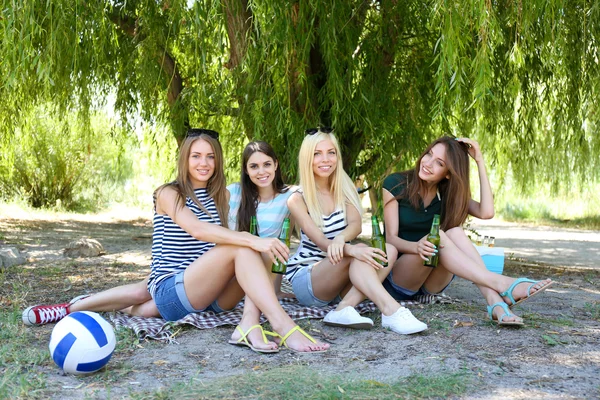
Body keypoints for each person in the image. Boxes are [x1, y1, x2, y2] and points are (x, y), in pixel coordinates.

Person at [23, 130, 329, 353]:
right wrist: (250, 239)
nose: (204, 163)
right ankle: (282, 325)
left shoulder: (223, 196)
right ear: (184, 159)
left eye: (210, 157)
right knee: (244, 244)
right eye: (196, 156)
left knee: (139, 308)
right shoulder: (169, 193)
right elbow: (197, 230)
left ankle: (247, 326)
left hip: (209, 293)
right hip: (174, 286)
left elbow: (265, 193)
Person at [382, 136, 553, 326]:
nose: (428, 163)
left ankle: (494, 300)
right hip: (402, 277)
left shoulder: (447, 194)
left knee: (454, 231)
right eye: (429, 154)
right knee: (439, 236)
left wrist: (479, 161)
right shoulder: (395, 183)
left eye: (439, 163)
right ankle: (499, 290)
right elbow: (391, 238)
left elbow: (486, 212)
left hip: (432, 283)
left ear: (448, 173)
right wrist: (417, 247)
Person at [285, 127, 428, 335]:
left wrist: (341, 239)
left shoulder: (345, 187)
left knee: (388, 250)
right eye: (317, 153)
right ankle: (392, 310)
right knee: (359, 251)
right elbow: (322, 242)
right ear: (307, 158)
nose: (325, 159)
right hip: (309, 279)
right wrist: (350, 249)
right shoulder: (297, 198)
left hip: (341, 278)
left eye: (331, 152)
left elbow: (356, 224)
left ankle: (343, 308)